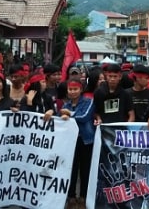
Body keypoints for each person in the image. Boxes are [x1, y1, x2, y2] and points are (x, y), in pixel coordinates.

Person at [59, 80, 95, 209]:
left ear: (81, 90)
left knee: (85, 170)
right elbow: (60, 119)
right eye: (70, 89)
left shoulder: (88, 101)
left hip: (86, 140)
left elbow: (85, 116)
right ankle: (71, 197)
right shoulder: (66, 105)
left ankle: (84, 197)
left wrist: (70, 115)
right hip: (70, 141)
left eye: (75, 89)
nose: (72, 92)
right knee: (71, 170)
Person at [128, 64, 149, 129]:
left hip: (148, 130)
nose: (148, 81)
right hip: (131, 130)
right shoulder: (126, 93)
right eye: (146, 78)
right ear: (138, 78)